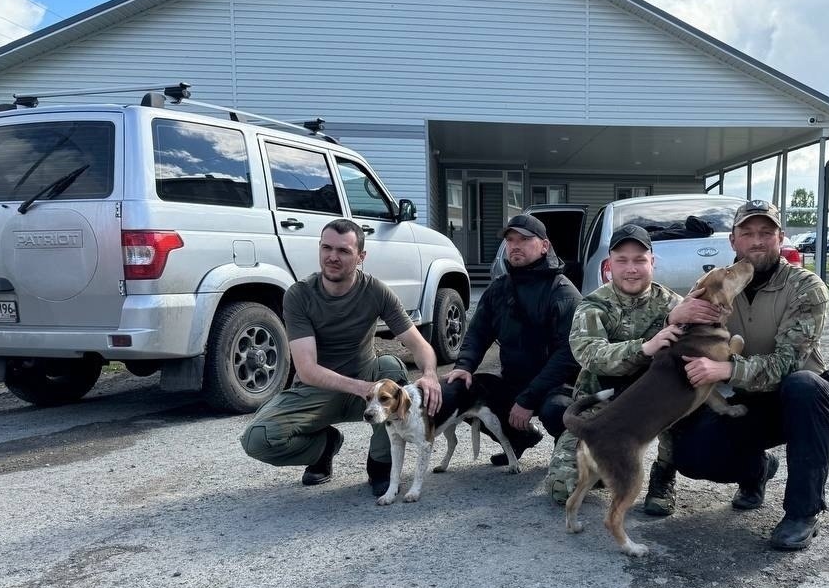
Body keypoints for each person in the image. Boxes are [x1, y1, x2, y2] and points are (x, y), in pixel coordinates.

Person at [671, 199, 829, 550]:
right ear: (733, 242)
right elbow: (681, 336)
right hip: (749, 399)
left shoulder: (806, 286)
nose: (757, 241)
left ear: (780, 238)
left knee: (804, 385)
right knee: (691, 455)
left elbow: (787, 362)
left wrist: (726, 368)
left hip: (801, 400)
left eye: (766, 233)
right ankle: (757, 469)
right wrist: (674, 317)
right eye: (748, 233)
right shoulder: (715, 285)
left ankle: (803, 512)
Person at [239, 219, 442, 497]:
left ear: (361, 257)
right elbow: (308, 369)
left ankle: (381, 465)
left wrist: (430, 374)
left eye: (344, 251)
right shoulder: (299, 295)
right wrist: (362, 389)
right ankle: (324, 447)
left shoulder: (376, 291)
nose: (332, 257)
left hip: (366, 380)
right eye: (326, 248)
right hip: (317, 391)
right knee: (257, 439)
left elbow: (418, 344)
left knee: (390, 368)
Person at [548, 224, 726, 512]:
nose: (631, 269)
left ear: (652, 262)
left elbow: (702, 346)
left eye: (640, 260)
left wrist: (675, 319)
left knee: (688, 410)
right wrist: (646, 346)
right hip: (605, 406)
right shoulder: (592, 305)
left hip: (656, 401)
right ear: (609, 265)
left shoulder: (675, 303)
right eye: (622, 260)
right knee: (562, 489)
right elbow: (591, 355)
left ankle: (663, 475)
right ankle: (599, 460)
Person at [444, 213, 580, 465]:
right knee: (462, 390)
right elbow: (477, 333)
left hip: (556, 386)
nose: (515, 245)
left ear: (544, 246)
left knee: (557, 411)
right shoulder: (499, 288)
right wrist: (464, 366)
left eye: (525, 239)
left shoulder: (563, 293)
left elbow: (568, 355)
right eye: (510, 239)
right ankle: (518, 439)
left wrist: (528, 398)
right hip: (514, 382)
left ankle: (569, 454)